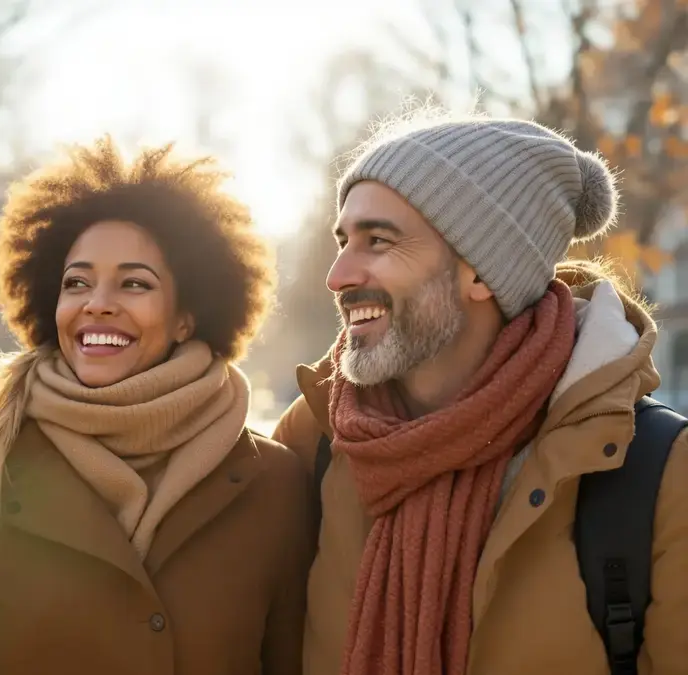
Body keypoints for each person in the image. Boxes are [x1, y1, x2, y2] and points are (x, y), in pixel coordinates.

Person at [273, 108, 688, 675]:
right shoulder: (318, 436)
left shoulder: (658, 472)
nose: (337, 273)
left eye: (378, 240)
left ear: (480, 273)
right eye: (343, 239)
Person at [0, 137, 314, 675]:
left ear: (187, 316)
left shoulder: (274, 484)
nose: (97, 304)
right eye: (77, 283)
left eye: (134, 283)